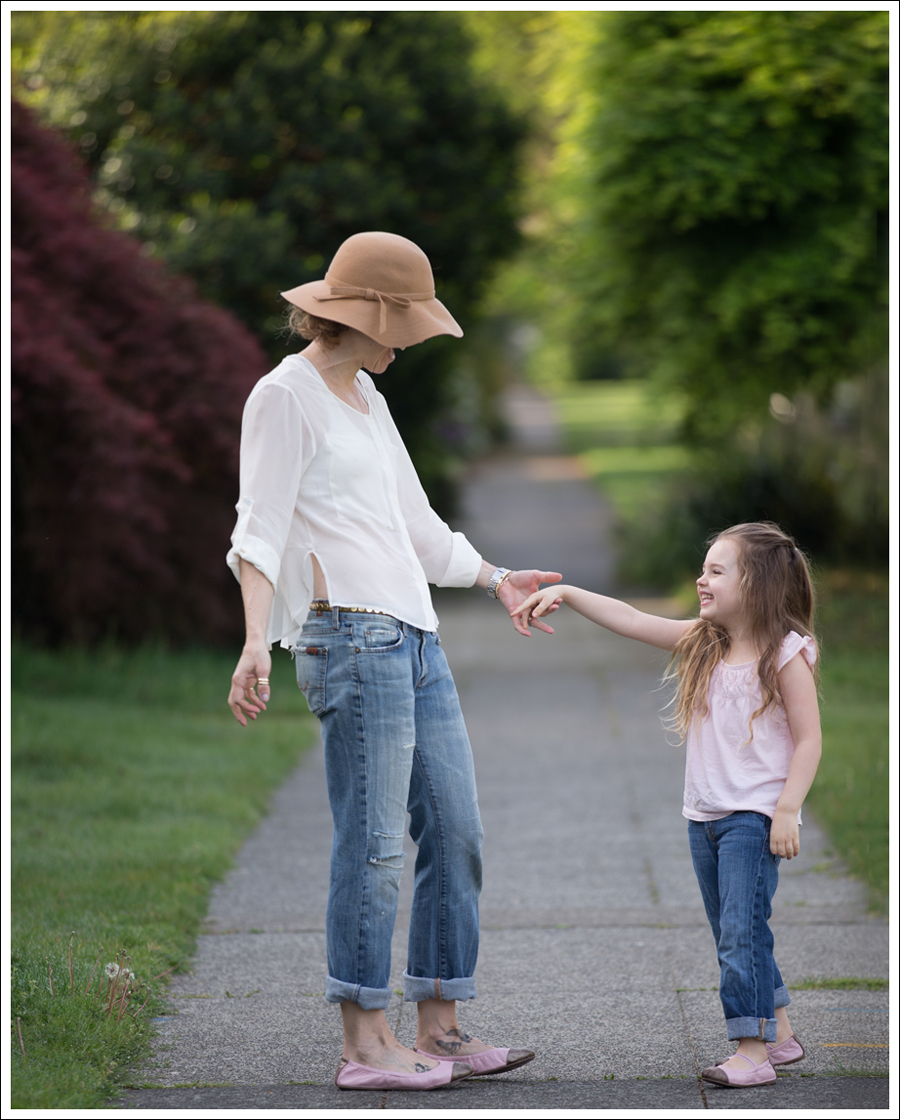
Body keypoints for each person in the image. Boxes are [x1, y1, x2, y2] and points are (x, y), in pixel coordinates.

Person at [226, 231, 559, 1091]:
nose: (408, 344)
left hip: (414, 636)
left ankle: (438, 1027)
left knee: (456, 828)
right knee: (372, 846)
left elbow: (414, 524)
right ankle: (365, 1043)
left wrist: (495, 578)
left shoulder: (367, 396)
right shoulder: (284, 397)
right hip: (348, 638)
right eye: (404, 325)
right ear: (368, 315)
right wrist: (256, 640)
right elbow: (258, 530)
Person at [514, 521, 822, 1090]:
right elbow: (632, 619)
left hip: (754, 818)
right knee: (736, 929)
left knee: (740, 931)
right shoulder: (705, 642)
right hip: (703, 818)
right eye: (703, 569)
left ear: (755, 584)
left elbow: (809, 740)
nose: (701, 580)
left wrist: (786, 810)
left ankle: (752, 1050)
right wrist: (570, 593)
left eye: (716, 571)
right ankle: (779, 1032)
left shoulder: (785, 653)